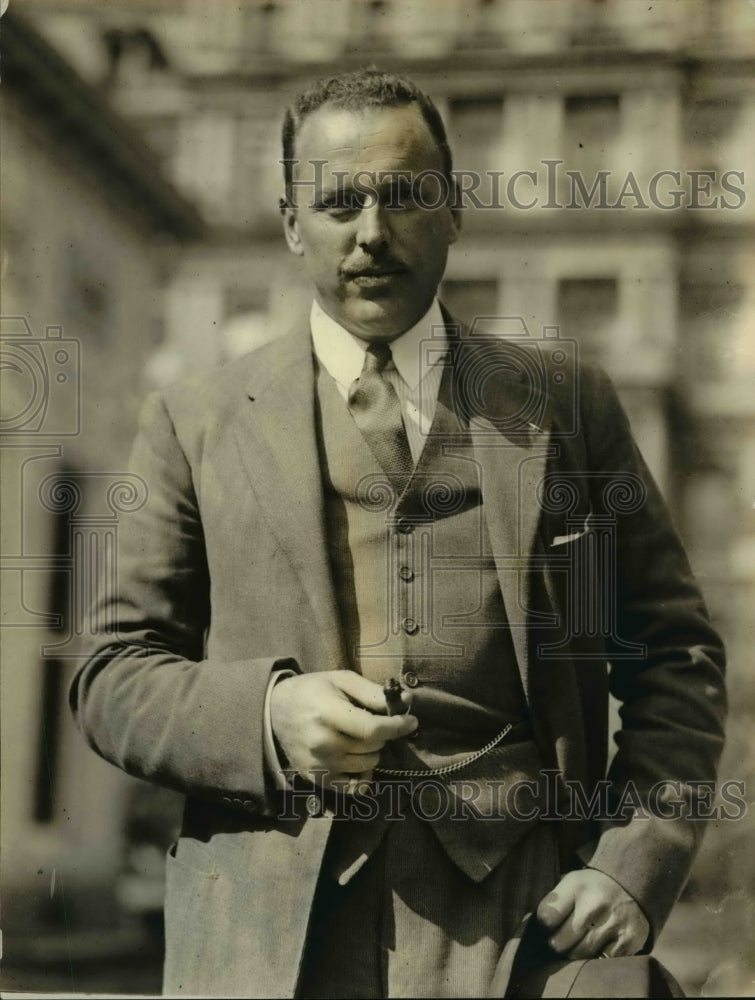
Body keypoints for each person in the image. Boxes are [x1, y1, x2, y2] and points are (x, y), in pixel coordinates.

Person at [71, 69, 727, 998]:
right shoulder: (195, 421)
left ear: (453, 210)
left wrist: (633, 860)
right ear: (293, 222)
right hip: (275, 931)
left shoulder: (565, 408)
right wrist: (266, 716)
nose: (371, 234)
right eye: (338, 202)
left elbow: (674, 655)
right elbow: (112, 676)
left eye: (406, 196)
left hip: (530, 921)